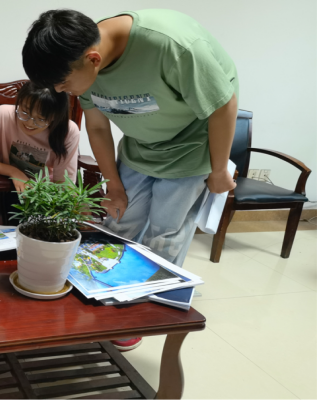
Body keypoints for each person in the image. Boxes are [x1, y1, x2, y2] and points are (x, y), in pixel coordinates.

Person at [23, 9, 239, 351]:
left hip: (194, 146)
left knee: (165, 233)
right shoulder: (80, 60)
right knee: (119, 222)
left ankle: (141, 315)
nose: (61, 92)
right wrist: (114, 184)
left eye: (63, 84)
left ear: (94, 60)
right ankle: (109, 295)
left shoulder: (175, 46)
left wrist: (217, 170)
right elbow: (97, 127)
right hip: (140, 145)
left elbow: (223, 105)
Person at [0, 82, 80, 215]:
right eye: (24, 112)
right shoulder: (2, 114)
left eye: (41, 119)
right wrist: (14, 172)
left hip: (43, 195)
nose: (29, 123)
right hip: (4, 186)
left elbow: (64, 185)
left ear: (55, 116)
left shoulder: (68, 131)